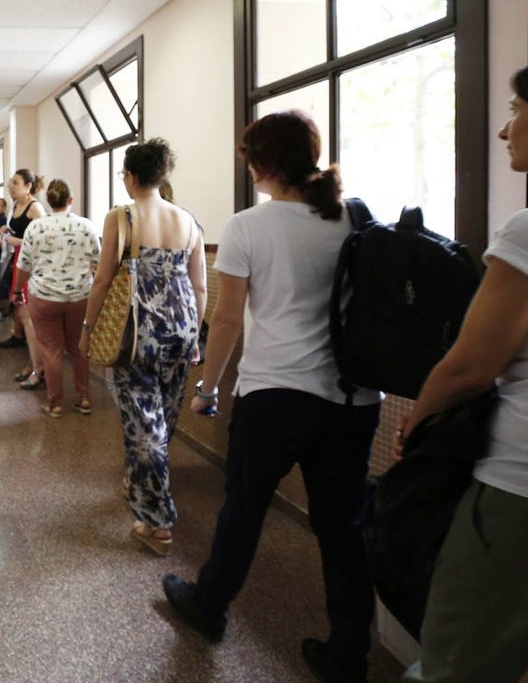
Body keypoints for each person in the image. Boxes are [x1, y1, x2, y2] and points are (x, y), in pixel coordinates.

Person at [159, 111, 380, 683]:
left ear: (262, 163)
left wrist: (207, 387)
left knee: (245, 507)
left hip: (275, 395)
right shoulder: (354, 216)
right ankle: (349, 651)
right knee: (342, 527)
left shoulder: (248, 227)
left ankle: (209, 606)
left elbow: (227, 317)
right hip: (352, 400)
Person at [398, 67, 528, 683]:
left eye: (516, 108)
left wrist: (416, 426)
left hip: (517, 485)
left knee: (458, 659)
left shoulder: (525, 231)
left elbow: (472, 367)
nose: (505, 129)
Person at [79, 139, 206, 553]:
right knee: (163, 419)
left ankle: (157, 522)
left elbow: (102, 279)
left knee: (144, 423)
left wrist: (89, 326)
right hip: (182, 327)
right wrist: (194, 337)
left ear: (130, 177)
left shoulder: (123, 216)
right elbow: (200, 285)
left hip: (139, 333)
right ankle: (137, 482)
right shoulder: (188, 221)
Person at [17, 179, 100, 418]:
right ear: (70, 200)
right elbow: (99, 262)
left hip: (44, 297)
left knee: (51, 351)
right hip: (80, 298)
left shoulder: (36, 227)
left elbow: (23, 264)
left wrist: (16, 290)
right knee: (79, 348)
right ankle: (84, 398)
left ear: (49, 201)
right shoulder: (86, 226)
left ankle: (54, 404)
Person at [0, 169, 47, 391]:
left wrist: (15, 241)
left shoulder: (35, 207)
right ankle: (32, 363)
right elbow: (21, 232)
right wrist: (7, 233)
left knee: (28, 317)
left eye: (16, 183)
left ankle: (39, 370)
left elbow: (44, 237)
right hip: (19, 261)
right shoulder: (17, 206)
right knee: (21, 315)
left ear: (28, 186)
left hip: (32, 264)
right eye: (10, 184)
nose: (11, 187)